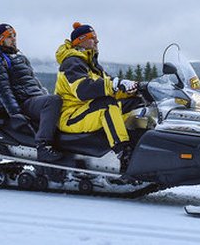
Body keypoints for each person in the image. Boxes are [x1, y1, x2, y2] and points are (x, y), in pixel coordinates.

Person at [54, 22, 141, 172]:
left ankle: (141, 142)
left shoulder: (90, 64)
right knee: (107, 105)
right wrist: (115, 84)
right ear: (81, 41)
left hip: (86, 110)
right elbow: (83, 90)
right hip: (71, 116)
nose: (97, 41)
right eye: (92, 38)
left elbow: (109, 86)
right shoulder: (72, 63)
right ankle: (124, 154)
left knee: (134, 103)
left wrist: (132, 89)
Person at [0, 22, 63, 162]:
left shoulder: (19, 57)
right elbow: (3, 90)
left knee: (59, 100)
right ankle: (43, 146)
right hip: (24, 102)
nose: (14, 38)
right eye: (9, 36)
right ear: (0, 40)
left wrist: (43, 93)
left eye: (14, 35)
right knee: (54, 101)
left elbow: (34, 81)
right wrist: (15, 113)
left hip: (35, 98)